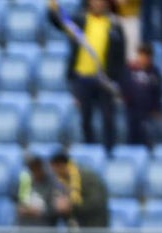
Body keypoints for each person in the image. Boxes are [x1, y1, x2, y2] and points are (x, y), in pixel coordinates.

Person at [48, 0, 126, 153]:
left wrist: (117, 79)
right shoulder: (79, 22)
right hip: (82, 77)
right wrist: (52, 11)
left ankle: (109, 151)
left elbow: (120, 56)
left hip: (104, 79)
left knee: (108, 117)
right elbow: (59, 23)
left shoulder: (114, 26)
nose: (98, 4)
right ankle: (90, 150)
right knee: (85, 118)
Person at [49, 150, 110, 233]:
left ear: (61, 165)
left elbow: (97, 202)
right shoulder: (59, 182)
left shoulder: (88, 177)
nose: (53, 171)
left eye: (54, 168)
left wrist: (72, 207)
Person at [14, 153, 68, 233]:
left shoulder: (54, 183)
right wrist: (23, 209)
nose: (35, 171)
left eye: (37, 167)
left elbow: (59, 208)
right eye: (32, 168)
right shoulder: (25, 180)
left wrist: (40, 211)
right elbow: (19, 203)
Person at [121, 43, 162, 147]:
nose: (143, 59)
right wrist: (126, 99)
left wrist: (156, 108)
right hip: (132, 108)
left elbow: (157, 91)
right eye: (141, 56)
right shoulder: (130, 69)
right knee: (132, 134)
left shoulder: (154, 72)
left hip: (148, 110)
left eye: (146, 56)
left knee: (147, 135)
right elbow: (124, 86)